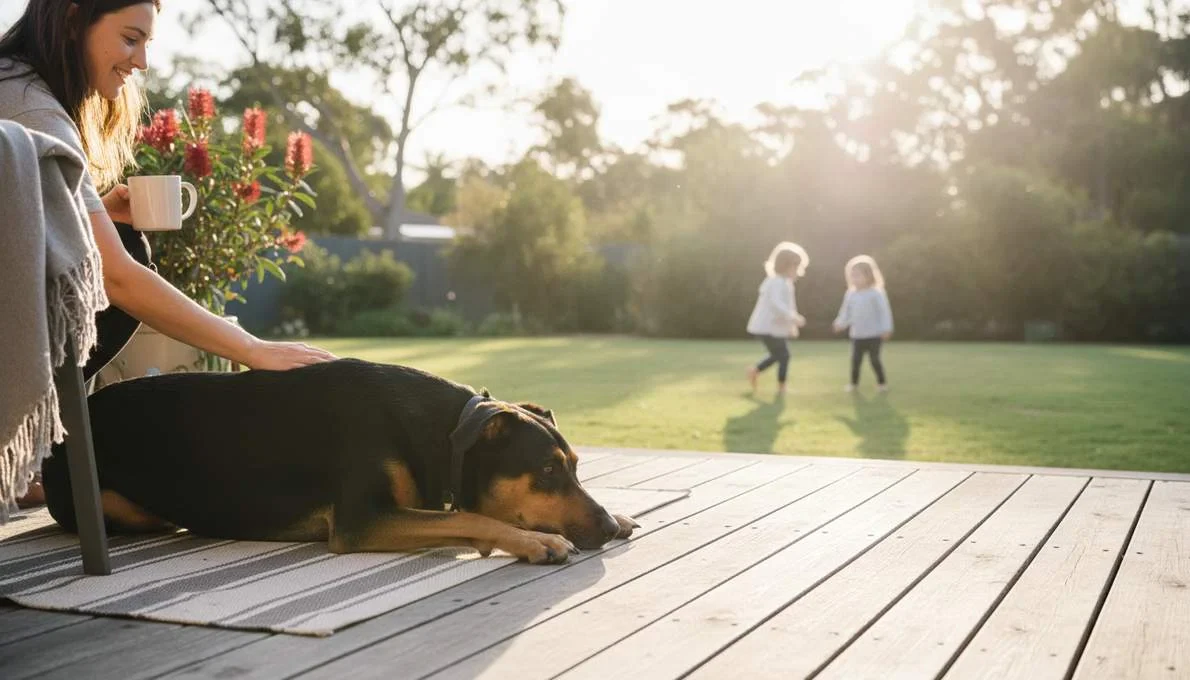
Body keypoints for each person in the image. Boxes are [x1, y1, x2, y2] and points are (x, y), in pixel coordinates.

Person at [2, 1, 336, 506]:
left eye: (146, 44)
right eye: (130, 39)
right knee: (121, 254)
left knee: (116, 239)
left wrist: (96, 212)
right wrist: (251, 348)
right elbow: (116, 277)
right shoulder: (31, 106)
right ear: (72, 20)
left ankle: (23, 454)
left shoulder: (14, 83)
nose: (141, 62)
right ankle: (21, 448)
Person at [745, 242, 809, 395]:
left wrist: (792, 325)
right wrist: (794, 318)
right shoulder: (775, 282)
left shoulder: (786, 283)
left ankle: (755, 370)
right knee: (784, 355)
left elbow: (789, 306)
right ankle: (781, 386)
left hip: (774, 328)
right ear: (786, 266)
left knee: (779, 355)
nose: (798, 271)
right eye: (796, 267)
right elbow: (777, 304)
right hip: (766, 327)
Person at [832, 255, 893, 392]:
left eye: (858, 275)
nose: (854, 279)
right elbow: (845, 312)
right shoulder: (850, 294)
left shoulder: (876, 293)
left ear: (869, 275)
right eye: (852, 276)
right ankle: (853, 384)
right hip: (857, 335)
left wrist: (886, 329)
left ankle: (882, 383)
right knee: (855, 361)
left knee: (874, 359)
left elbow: (884, 312)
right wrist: (840, 323)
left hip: (874, 335)